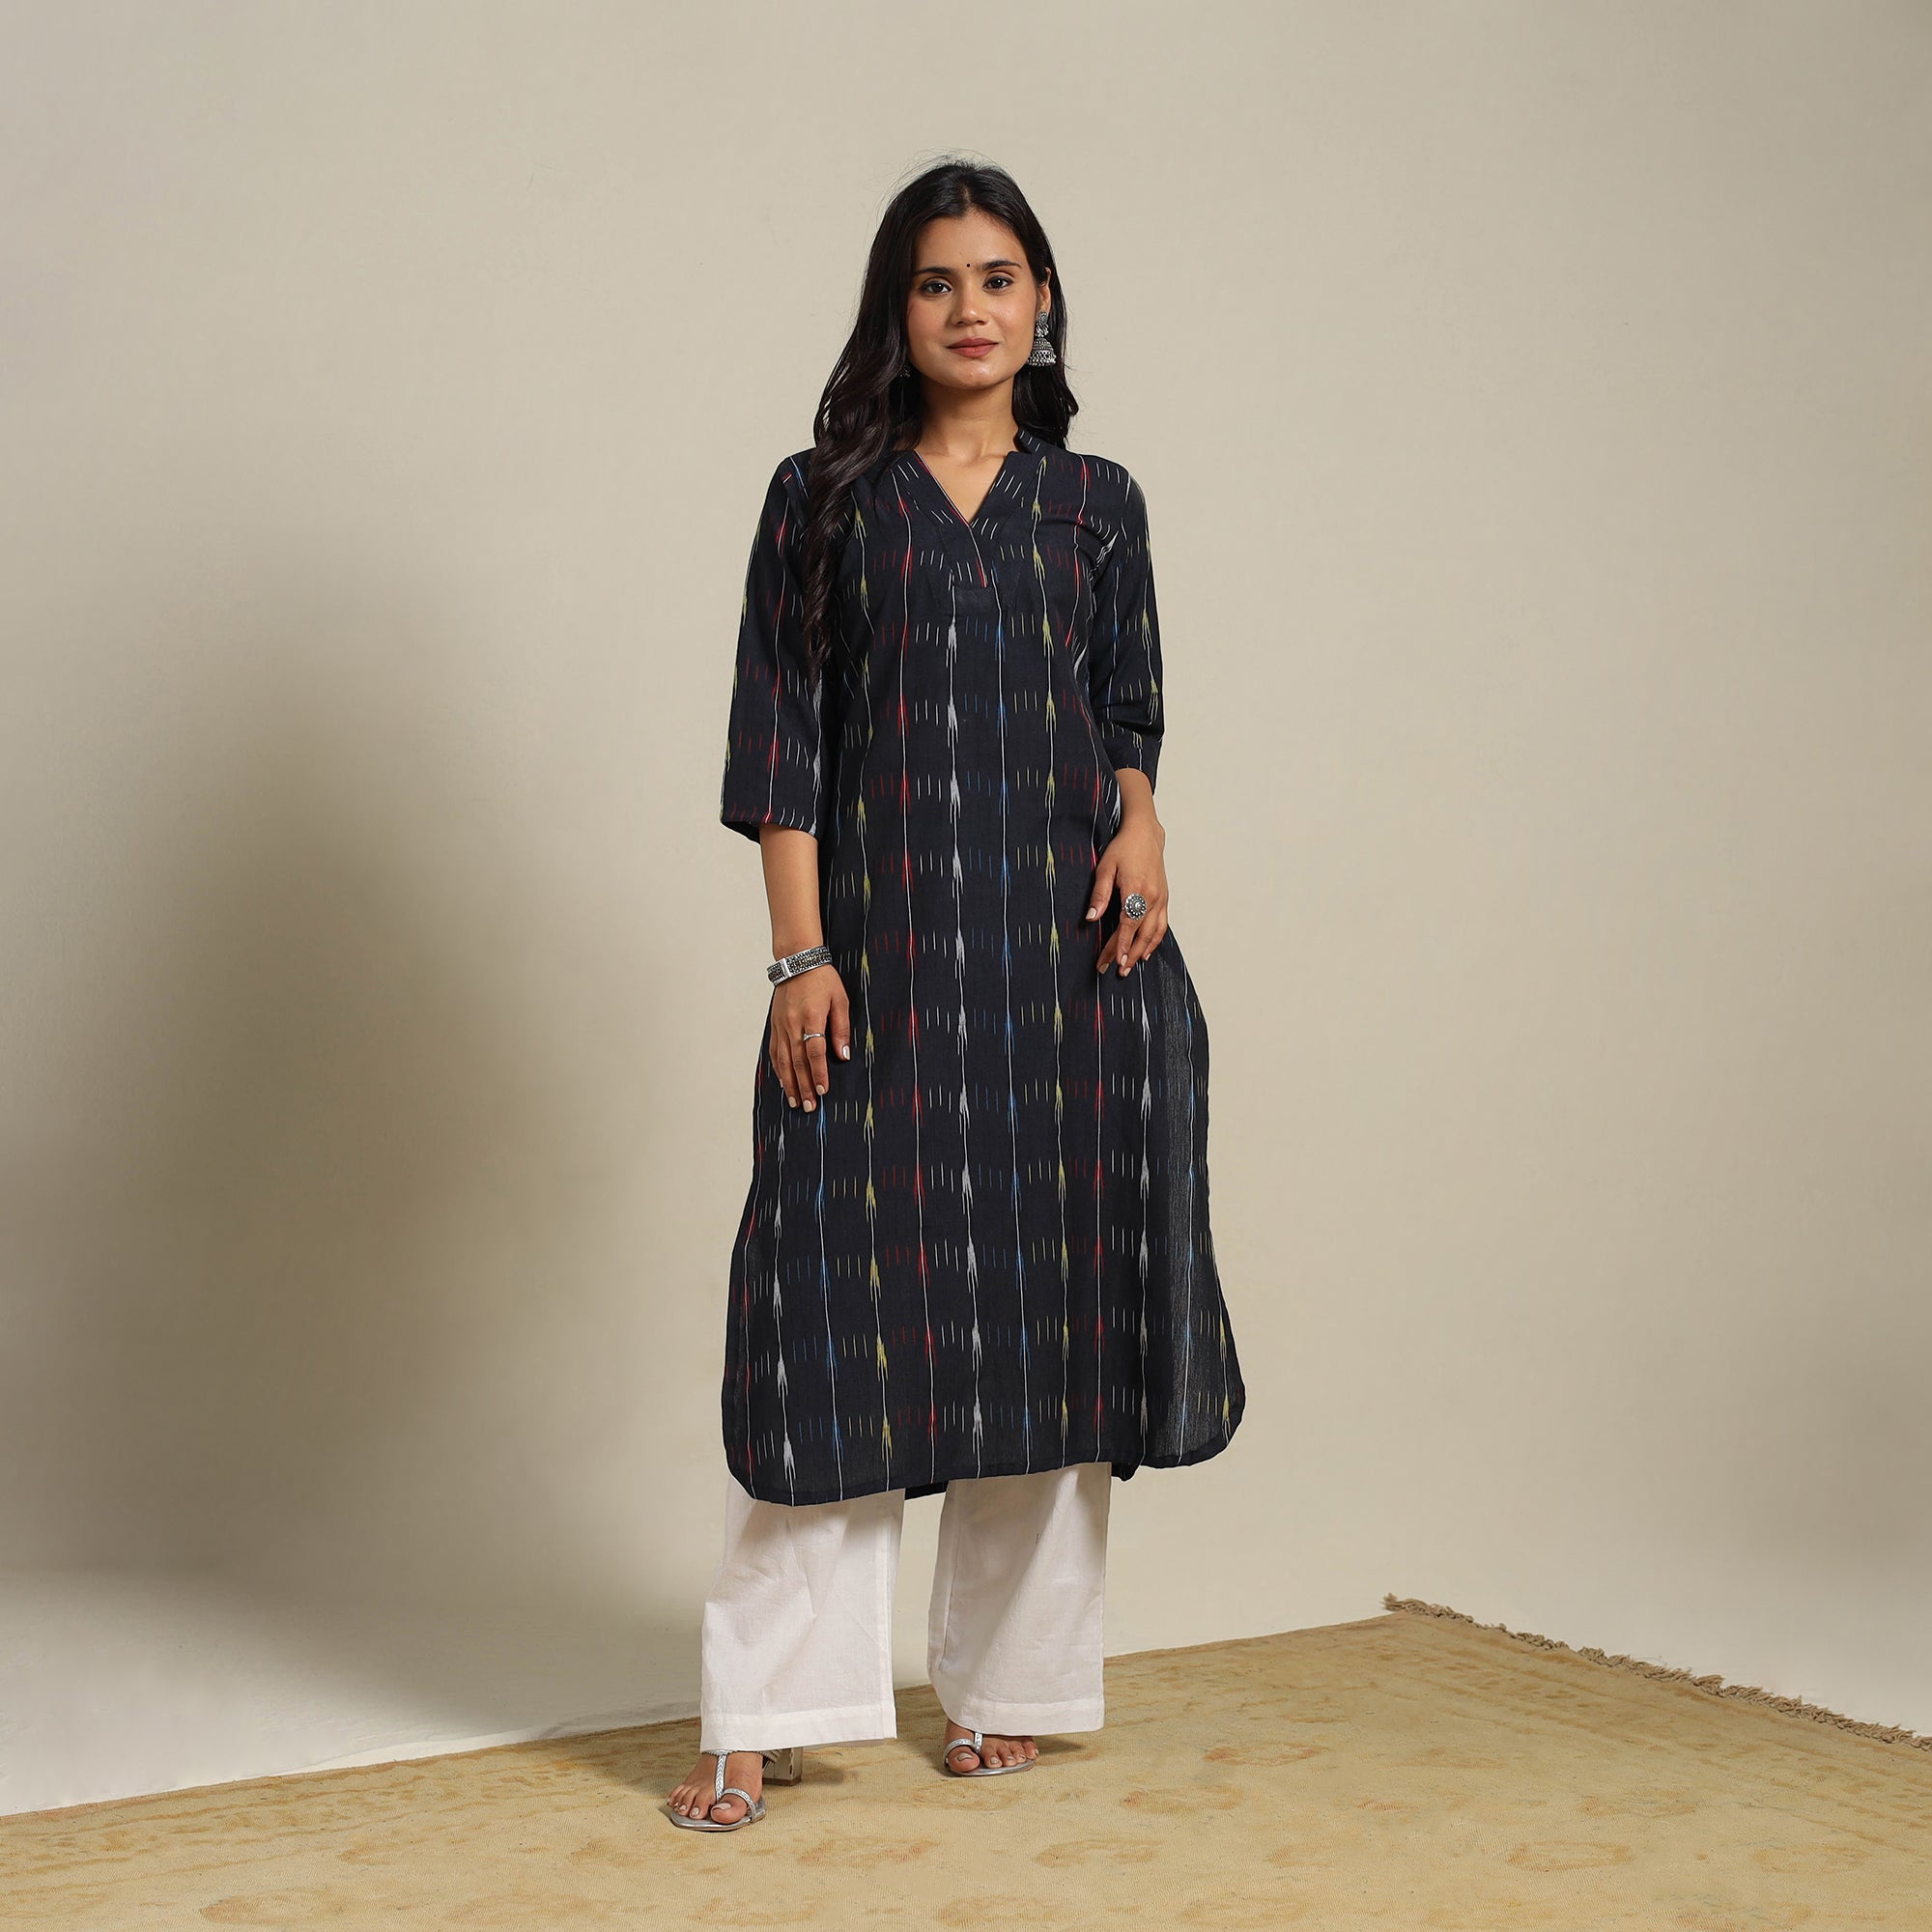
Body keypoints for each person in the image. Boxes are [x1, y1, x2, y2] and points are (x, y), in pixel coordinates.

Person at [667, 157, 1245, 1832]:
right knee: (831, 1327)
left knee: (1045, 1330)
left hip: (1068, 977)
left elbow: (1126, 714)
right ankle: (764, 1710)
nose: (970, 308)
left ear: (1040, 301)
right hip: (887, 970)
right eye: (937, 282)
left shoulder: (1096, 502)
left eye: (998, 278)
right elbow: (781, 741)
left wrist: (1142, 822)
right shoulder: (824, 498)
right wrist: (802, 957)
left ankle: (1009, 1691)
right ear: (897, 308)